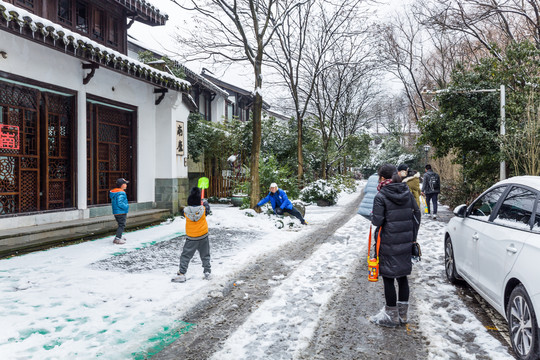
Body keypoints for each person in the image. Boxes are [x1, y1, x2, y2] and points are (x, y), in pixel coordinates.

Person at [370, 164, 421, 327]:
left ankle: (391, 315)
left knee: (388, 277)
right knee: (402, 276)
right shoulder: (406, 191)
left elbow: (377, 221)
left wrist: (373, 215)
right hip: (405, 240)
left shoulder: (381, 196)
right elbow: (417, 213)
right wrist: (412, 236)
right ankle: (403, 315)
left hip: (388, 241)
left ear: (383, 178)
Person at [172, 187, 212, 283]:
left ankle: (182, 273)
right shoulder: (203, 209)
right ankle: (207, 272)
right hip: (203, 236)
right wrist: (204, 202)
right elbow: (208, 209)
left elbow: (186, 211)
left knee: (185, 256)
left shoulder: (185, 211)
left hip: (191, 238)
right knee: (205, 255)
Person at [110, 178, 129, 245]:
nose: (126, 185)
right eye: (125, 184)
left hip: (117, 212)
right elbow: (120, 203)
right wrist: (126, 206)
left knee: (120, 224)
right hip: (121, 212)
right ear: (121, 185)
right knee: (122, 225)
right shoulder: (121, 193)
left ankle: (119, 235)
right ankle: (117, 239)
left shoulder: (116, 192)